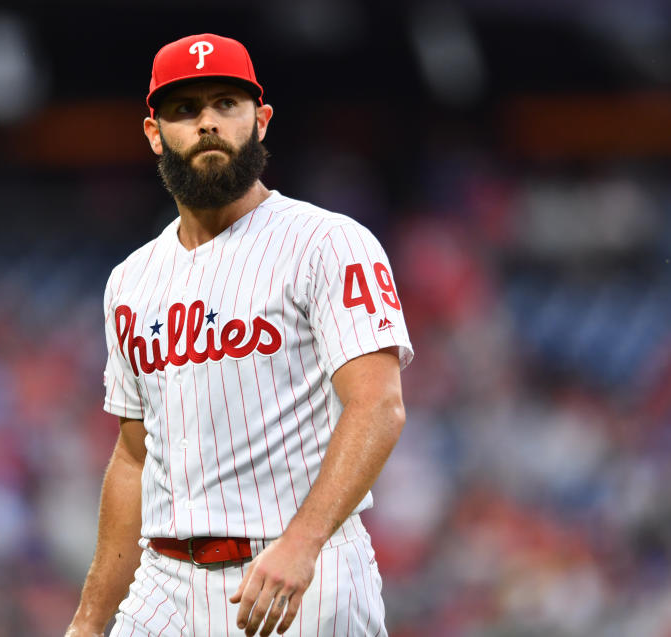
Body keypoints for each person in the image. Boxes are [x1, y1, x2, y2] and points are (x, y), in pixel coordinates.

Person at [65, 33, 413, 637]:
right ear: (154, 133)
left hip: (304, 572)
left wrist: (302, 544)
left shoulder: (328, 243)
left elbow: (378, 403)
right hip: (165, 582)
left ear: (261, 120)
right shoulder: (130, 281)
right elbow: (132, 457)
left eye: (227, 103)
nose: (208, 123)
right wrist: (91, 621)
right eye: (185, 109)